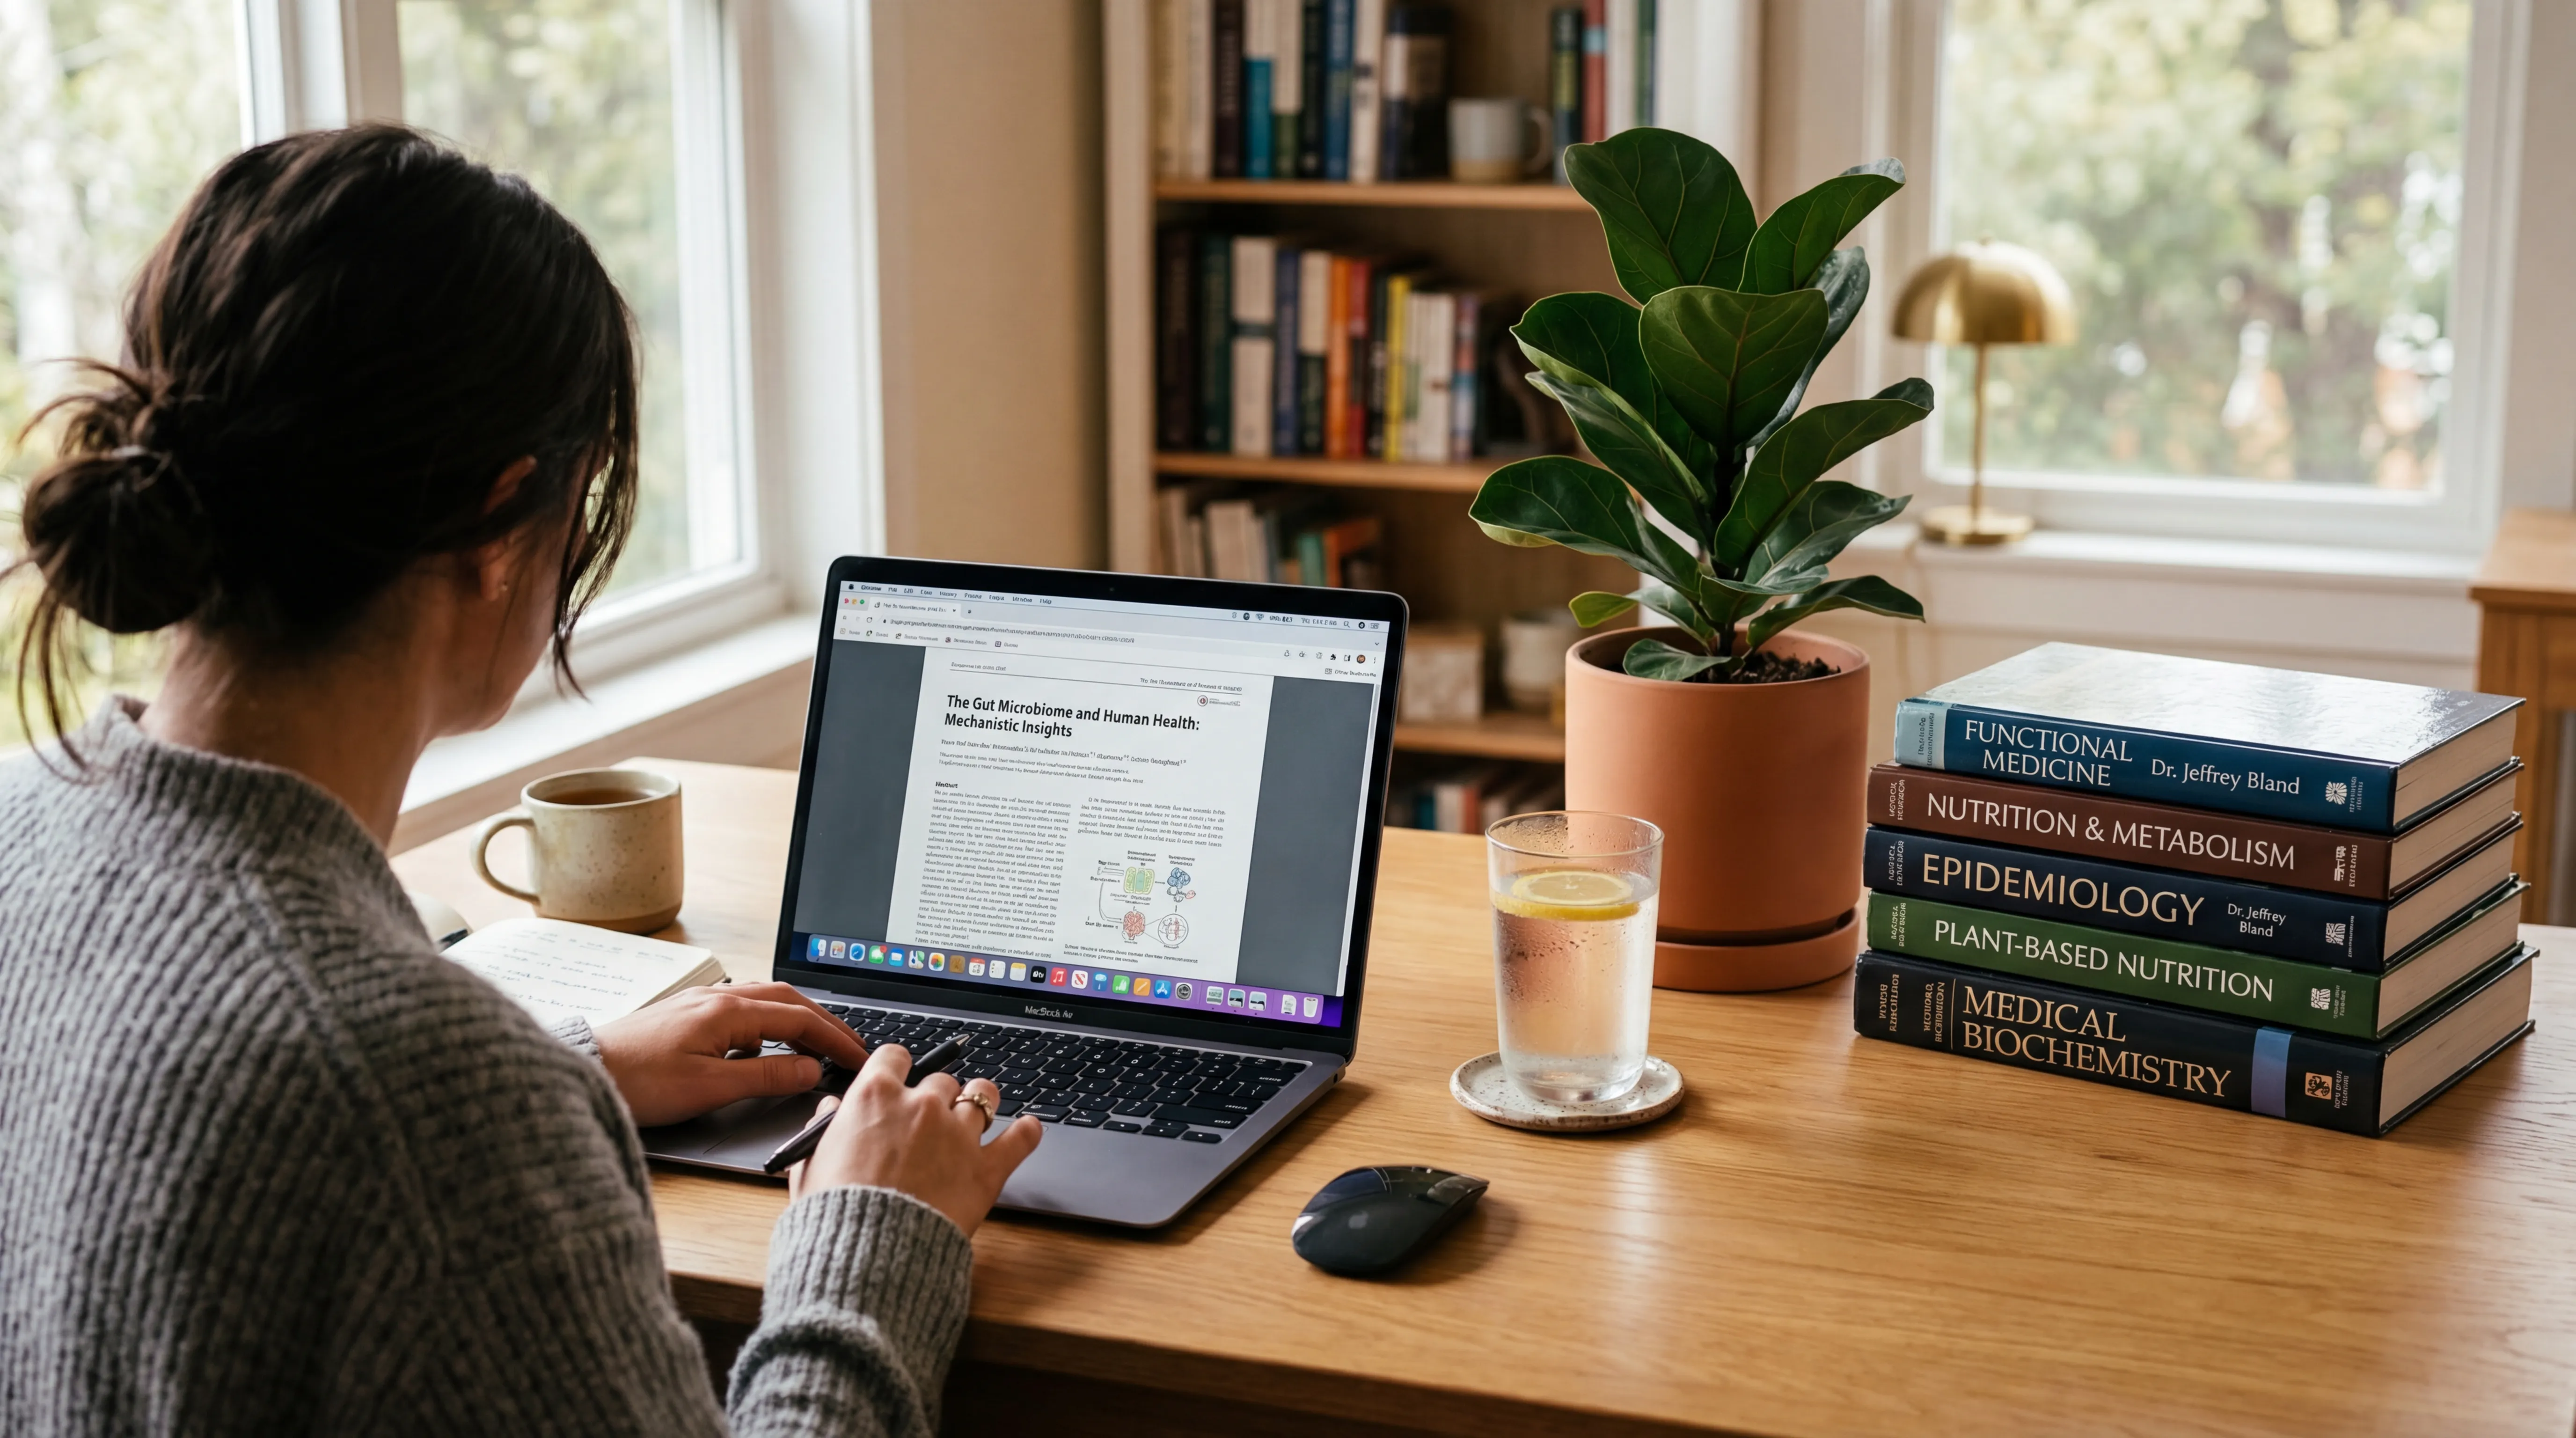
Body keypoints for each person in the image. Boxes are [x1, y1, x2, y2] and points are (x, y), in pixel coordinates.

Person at [0, 124, 1039, 1436]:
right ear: (502, 529)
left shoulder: (22, 825)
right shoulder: (420, 1099)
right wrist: (873, 1238)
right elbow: (366, 1112)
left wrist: (572, 1071)